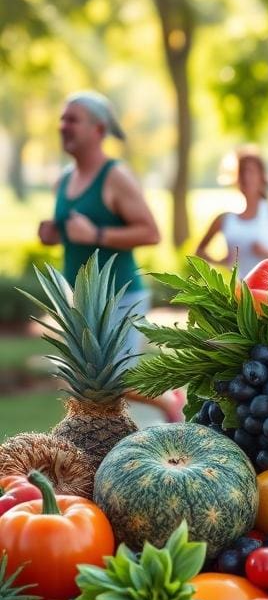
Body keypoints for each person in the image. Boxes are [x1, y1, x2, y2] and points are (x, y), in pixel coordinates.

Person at [37, 90, 184, 422]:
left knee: (114, 380)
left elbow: (151, 232)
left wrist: (98, 235)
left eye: (72, 119)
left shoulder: (115, 176)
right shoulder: (63, 179)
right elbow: (72, 232)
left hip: (120, 295)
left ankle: (169, 406)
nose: (63, 126)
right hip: (78, 298)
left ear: (98, 130)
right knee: (82, 385)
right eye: (62, 118)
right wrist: (53, 234)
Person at [195, 146, 268, 279]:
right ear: (236, 178)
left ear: (261, 177)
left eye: (251, 172)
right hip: (235, 293)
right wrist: (220, 263)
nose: (246, 177)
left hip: (267, 294)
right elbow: (199, 252)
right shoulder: (225, 219)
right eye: (242, 172)